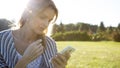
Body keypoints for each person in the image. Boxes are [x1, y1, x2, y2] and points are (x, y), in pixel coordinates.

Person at [0, 0, 70, 68]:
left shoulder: (50, 44)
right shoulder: (2, 39)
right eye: (42, 17)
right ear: (28, 14)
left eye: (49, 20)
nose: (46, 24)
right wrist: (25, 60)